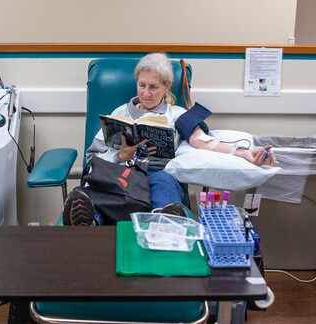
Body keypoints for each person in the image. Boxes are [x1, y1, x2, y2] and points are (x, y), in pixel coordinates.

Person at [64, 53, 275, 225]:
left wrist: (243, 152)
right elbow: (94, 156)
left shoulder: (177, 114)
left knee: (164, 183)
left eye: (153, 87)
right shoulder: (119, 113)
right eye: (142, 85)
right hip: (121, 173)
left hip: (156, 174)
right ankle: (89, 219)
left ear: (166, 87)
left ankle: (165, 219)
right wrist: (120, 155)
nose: (146, 93)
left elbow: (204, 142)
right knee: (96, 188)